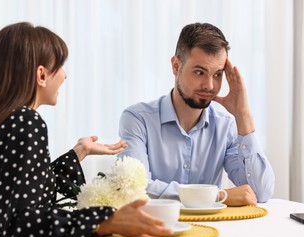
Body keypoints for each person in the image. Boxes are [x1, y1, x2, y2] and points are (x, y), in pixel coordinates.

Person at [0, 22, 172, 237]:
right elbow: (22, 228)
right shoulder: (25, 121)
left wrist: (79, 152)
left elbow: (22, 190)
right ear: (41, 74)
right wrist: (104, 220)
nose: (65, 75)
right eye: (61, 66)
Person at [118, 22, 275, 206]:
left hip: (215, 230)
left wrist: (243, 115)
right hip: (156, 229)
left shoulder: (226, 125)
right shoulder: (137, 119)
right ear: (176, 66)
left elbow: (260, 193)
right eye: (199, 72)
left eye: (217, 74)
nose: (209, 85)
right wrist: (215, 196)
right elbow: (135, 189)